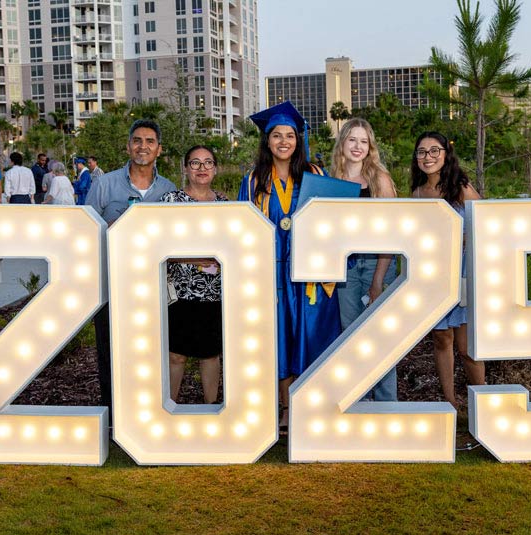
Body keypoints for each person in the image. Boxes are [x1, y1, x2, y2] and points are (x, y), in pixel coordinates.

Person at [239, 101, 340, 434]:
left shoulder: (317, 175)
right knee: (279, 340)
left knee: (311, 338)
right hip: (272, 277)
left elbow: (335, 223)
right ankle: (285, 409)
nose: (284, 141)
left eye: (290, 136)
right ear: (267, 141)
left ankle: (313, 407)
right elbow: (242, 231)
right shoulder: (254, 181)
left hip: (311, 276)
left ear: (299, 140)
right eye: (276, 135)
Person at [86, 119, 176, 414]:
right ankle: (113, 414)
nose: (143, 147)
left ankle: (147, 413)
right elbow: (84, 230)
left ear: (159, 150)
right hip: (112, 284)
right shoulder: (104, 184)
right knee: (110, 352)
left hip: (152, 288)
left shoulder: (169, 189)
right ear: (128, 146)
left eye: (150, 141)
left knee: (150, 352)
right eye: (137, 140)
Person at [411, 131, 485, 411]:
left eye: (434, 151)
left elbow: (484, 224)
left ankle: (483, 409)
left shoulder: (461, 188)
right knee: (442, 339)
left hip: (464, 274)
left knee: (467, 348)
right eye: (421, 152)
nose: (427, 157)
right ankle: (450, 406)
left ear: (445, 154)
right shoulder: (418, 193)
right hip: (436, 276)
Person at [330, 118, 401, 401]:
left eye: (363, 141)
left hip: (376, 263)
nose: (357, 146)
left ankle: (387, 403)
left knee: (379, 336)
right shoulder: (330, 181)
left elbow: (392, 233)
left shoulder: (379, 179)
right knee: (351, 336)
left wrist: (378, 280)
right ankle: (357, 399)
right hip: (345, 267)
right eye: (352, 140)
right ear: (342, 144)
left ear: (370, 146)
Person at [161, 146, 229, 404]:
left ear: (216, 168)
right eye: (195, 163)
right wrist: (195, 258)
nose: (202, 168)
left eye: (208, 162)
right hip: (179, 290)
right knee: (176, 354)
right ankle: (169, 408)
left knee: (210, 353)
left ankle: (211, 408)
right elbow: (161, 247)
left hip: (214, 291)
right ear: (185, 168)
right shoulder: (171, 201)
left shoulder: (225, 204)